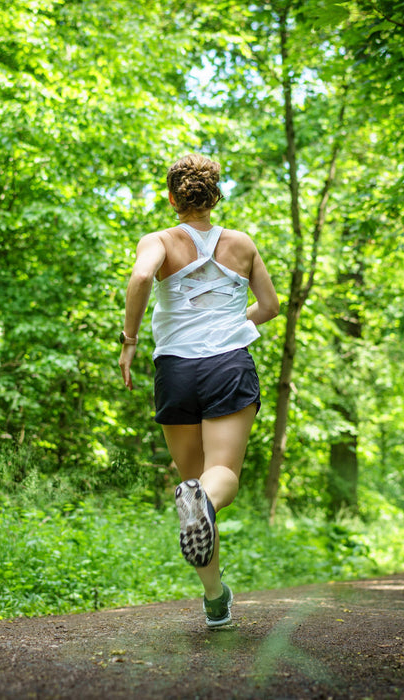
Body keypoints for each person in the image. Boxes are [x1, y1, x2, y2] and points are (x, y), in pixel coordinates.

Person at [118, 154, 279, 628]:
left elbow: (142, 276)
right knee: (218, 476)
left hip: (175, 369)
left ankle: (215, 598)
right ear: (216, 195)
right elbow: (268, 306)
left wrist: (128, 342)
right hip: (228, 365)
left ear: (172, 198)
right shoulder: (241, 244)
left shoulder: (160, 241)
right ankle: (201, 507)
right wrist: (233, 322)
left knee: (196, 488)